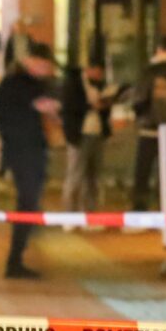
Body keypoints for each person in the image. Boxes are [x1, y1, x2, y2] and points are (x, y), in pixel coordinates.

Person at [0, 40, 62, 279]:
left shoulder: (23, 84)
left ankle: (18, 254)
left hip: (27, 152)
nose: (48, 71)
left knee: (28, 202)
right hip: (25, 153)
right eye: (45, 66)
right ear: (33, 62)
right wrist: (40, 109)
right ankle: (15, 260)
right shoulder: (19, 85)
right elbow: (1, 115)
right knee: (26, 203)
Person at [129, 33, 166, 210]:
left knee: (143, 172)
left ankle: (140, 211)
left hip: (150, 128)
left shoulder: (150, 71)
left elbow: (139, 100)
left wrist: (138, 115)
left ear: (159, 49)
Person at [59, 52, 113, 212]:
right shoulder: (73, 83)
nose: (99, 76)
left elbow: (106, 110)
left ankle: (90, 213)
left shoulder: (101, 85)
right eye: (97, 71)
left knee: (94, 177)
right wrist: (91, 106)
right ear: (89, 69)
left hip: (97, 134)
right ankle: (69, 214)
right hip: (78, 134)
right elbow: (68, 107)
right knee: (75, 174)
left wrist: (105, 105)